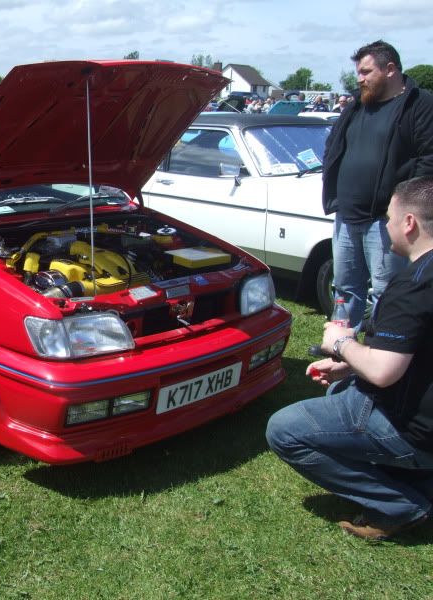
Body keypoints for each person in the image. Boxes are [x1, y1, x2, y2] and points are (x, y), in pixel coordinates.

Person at [267, 176, 433, 541]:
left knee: (284, 430)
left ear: (409, 223)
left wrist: (341, 344)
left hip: (414, 429)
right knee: (339, 390)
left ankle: (400, 506)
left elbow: (386, 372)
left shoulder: (415, 284)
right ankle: (418, 479)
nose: (386, 226)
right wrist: (349, 366)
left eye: (389, 217)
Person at [322, 40, 433, 329]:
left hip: (386, 221)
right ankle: (340, 350)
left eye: (366, 72)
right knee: (345, 290)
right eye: (358, 72)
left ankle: (383, 352)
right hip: (346, 215)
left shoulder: (419, 104)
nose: (359, 79)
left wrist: (401, 203)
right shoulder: (357, 106)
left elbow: (429, 159)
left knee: (387, 292)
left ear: (390, 69)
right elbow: (334, 146)